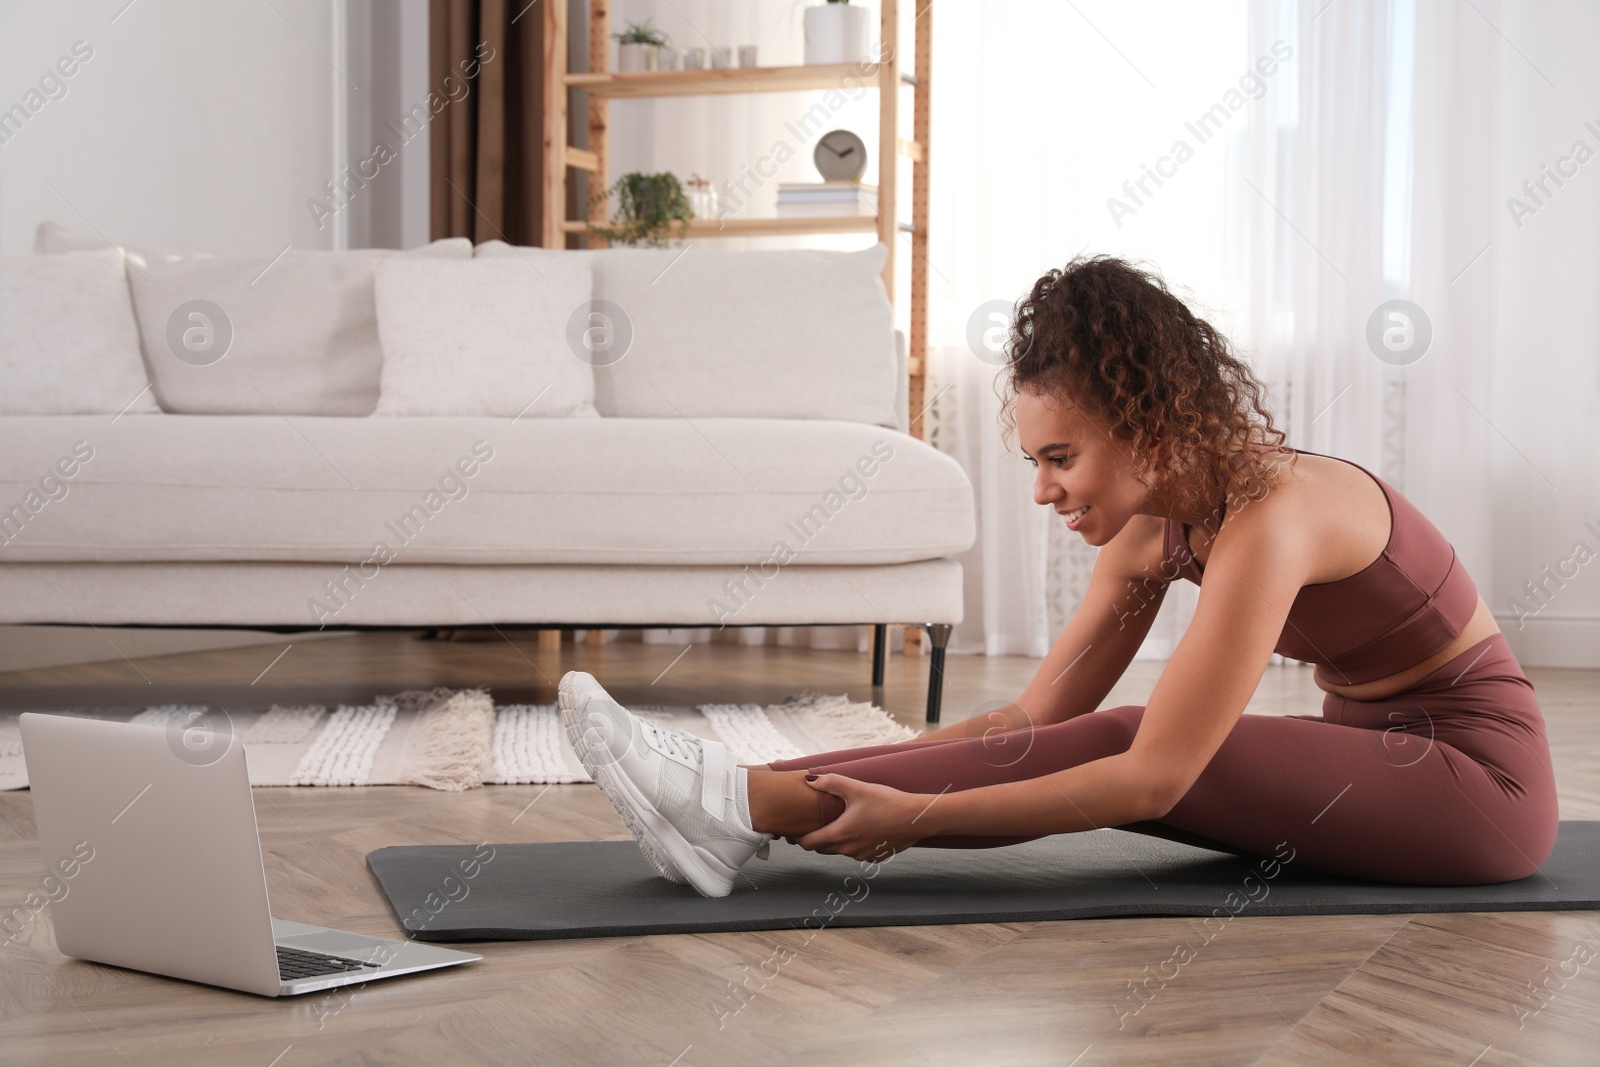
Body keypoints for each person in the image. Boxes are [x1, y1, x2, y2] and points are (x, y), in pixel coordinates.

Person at [559, 254, 1558, 899]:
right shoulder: (1148, 534)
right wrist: (851, 772)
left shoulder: (1277, 512)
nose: (1042, 490)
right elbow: (1025, 724)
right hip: (1371, 760)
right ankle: (732, 798)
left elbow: (1152, 771)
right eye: (1034, 460)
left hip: (1477, 785)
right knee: (1088, 735)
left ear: (1152, 424)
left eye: (1060, 457)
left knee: (1138, 740)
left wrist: (917, 820)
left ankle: (734, 807)